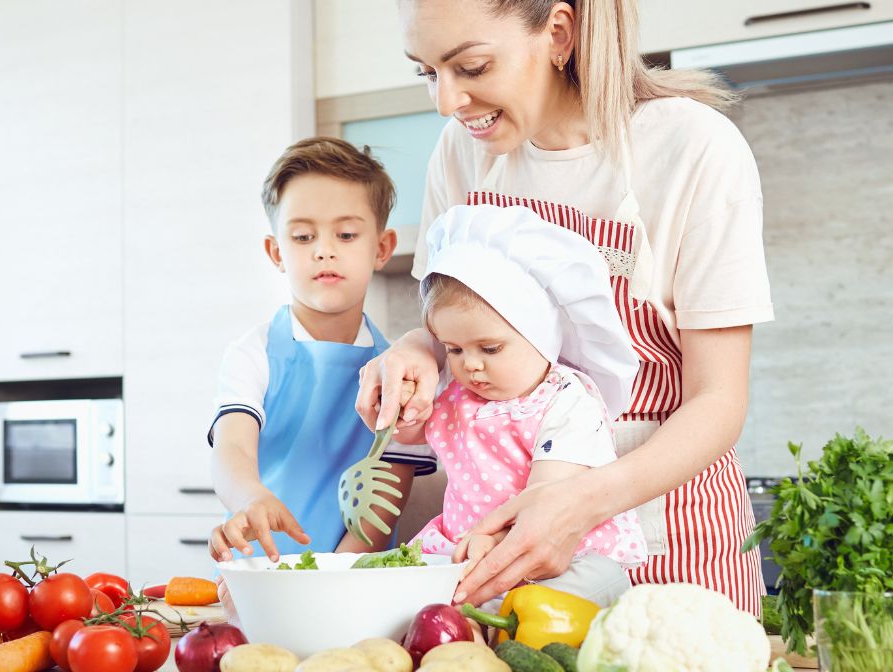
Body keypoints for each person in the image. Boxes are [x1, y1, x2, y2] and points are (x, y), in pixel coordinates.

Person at [358, 0, 773, 614]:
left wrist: (580, 502)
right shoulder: (461, 154)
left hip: (669, 521)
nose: (446, 102)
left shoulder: (693, 147)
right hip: (507, 530)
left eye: (471, 66)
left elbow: (719, 401)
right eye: (427, 72)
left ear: (558, 31)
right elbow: (449, 317)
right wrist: (415, 350)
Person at [399, 204, 646, 607]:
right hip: (467, 551)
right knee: (409, 596)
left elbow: (549, 493)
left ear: (541, 335)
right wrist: (405, 410)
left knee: (578, 587)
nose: (470, 364)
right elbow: (413, 437)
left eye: (490, 348)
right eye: (454, 349)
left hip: (560, 556)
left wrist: (495, 541)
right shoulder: (457, 397)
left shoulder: (567, 401)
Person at [206, 137, 435, 569]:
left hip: (354, 578)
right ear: (277, 252)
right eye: (303, 236)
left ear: (381, 248)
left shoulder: (403, 374)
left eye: (346, 234)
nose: (323, 249)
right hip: (259, 576)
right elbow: (231, 448)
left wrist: (328, 578)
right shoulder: (252, 353)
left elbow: (387, 502)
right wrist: (250, 496)